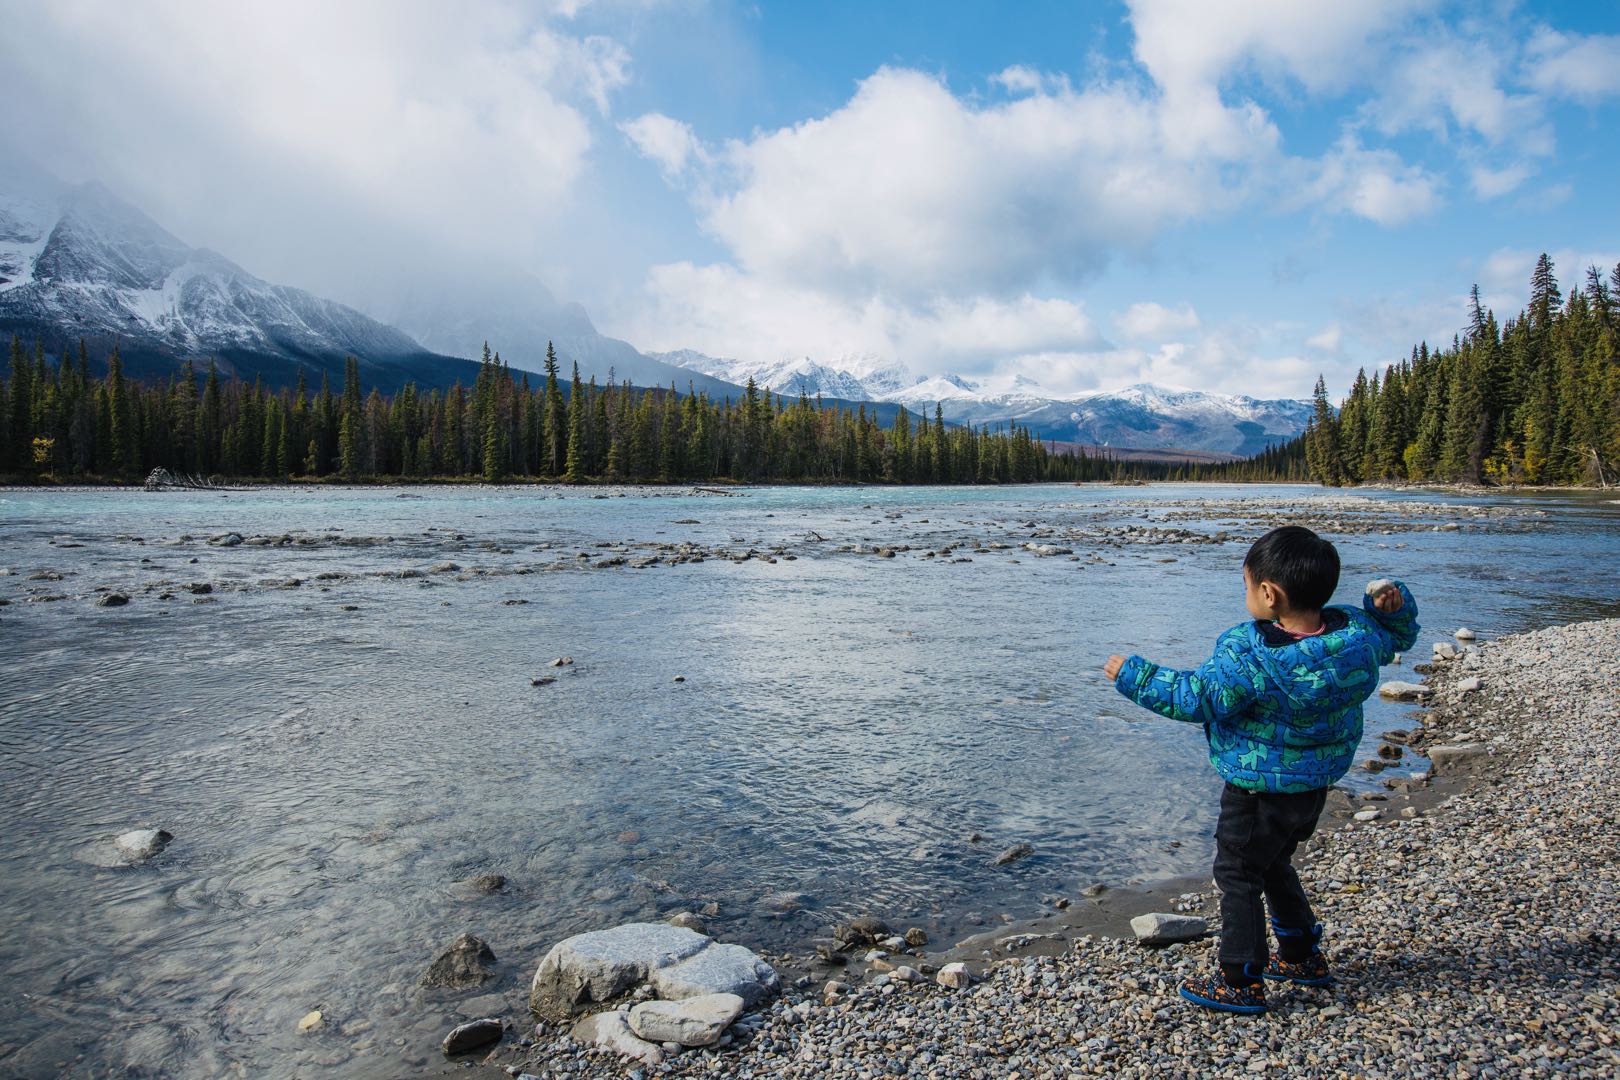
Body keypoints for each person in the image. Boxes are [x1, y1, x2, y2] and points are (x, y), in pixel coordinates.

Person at [1102, 525, 1419, 1014]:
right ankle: (1300, 955)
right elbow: (1398, 634)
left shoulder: (1252, 655)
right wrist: (1387, 609)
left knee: (1238, 873)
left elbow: (1196, 698)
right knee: (1272, 864)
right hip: (1313, 785)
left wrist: (1133, 675)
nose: (1244, 594)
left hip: (1257, 788)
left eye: (1246, 585)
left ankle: (1240, 978)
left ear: (1269, 595)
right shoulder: (1357, 636)